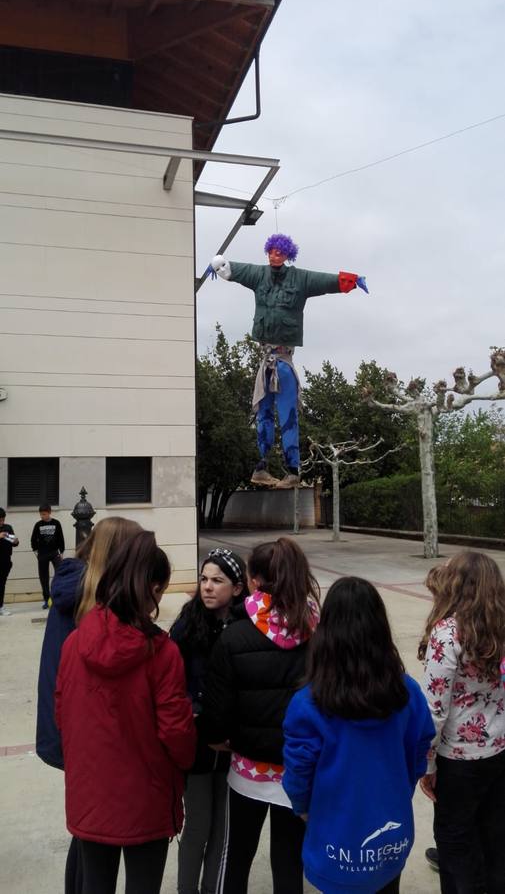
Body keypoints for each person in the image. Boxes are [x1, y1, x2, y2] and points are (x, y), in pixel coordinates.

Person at [55, 530, 196, 894]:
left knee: (95, 885)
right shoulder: (162, 654)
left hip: (90, 793)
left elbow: (62, 713)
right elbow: (177, 733)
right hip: (146, 796)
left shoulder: (73, 643)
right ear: (150, 587)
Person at [282, 576, 434, 894]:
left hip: (333, 846)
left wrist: (304, 808)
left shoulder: (308, 702)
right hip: (391, 841)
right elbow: (422, 747)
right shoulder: (407, 692)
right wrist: (401, 786)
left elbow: (298, 771)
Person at [200, 536, 320, 894]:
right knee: (289, 862)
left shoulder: (234, 636)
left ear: (253, 582)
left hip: (248, 769)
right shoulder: (321, 631)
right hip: (298, 771)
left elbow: (217, 708)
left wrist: (215, 736)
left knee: (236, 857)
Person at [210, 235, 368, 489]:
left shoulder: (300, 279)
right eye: (271, 251)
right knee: (263, 415)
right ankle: (260, 468)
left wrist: (351, 280)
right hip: (266, 361)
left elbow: (325, 281)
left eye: (280, 252)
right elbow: (233, 269)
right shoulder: (258, 275)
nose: (274, 256)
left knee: (288, 416)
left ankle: (292, 470)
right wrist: (217, 265)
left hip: (283, 360)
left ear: (287, 255)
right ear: (268, 252)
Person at [36, 515, 141, 894]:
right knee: (91, 835)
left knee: (85, 834)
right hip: (83, 731)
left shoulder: (78, 586)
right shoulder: (92, 595)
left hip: (70, 727)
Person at [418, 551, 505, 894]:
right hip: (499, 751)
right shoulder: (500, 626)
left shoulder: (448, 633)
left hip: (459, 761)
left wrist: (427, 763)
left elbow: (434, 709)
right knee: (495, 840)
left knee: (455, 845)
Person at [170, 547, 246, 894]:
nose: (208, 587)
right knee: (198, 825)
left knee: (223, 830)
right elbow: (173, 688)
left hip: (234, 749)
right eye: (204, 579)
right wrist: (199, 718)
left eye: (218, 580)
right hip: (198, 748)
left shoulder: (246, 627)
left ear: (238, 588)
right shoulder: (186, 626)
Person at [31, 504, 65, 608]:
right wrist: (36, 552)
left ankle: (58, 597)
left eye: (44, 514)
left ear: (49, 512)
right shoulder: (38, 525)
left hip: (55, 553)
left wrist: (61, 552)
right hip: (42, 554)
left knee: (60, 574)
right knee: (43, 577)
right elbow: (33, 539)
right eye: (41, 514)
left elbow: (61, 538)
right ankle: (46, 599)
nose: (42, 516)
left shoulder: (56, 523)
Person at [0, 507, 19, 616]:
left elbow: (14, 542)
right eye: (0, 520)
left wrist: (16, 541)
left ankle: (1, 606)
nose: (1, 522)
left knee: (2, 584)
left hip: (6, 561)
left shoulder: (8, 527)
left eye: (3, 519)